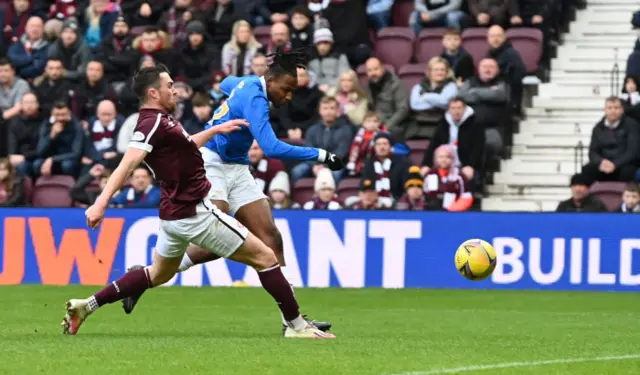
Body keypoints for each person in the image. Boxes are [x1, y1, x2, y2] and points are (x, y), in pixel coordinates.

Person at [61, 65, 335, 339]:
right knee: (265, 256)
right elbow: (127, 164)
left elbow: (187, 143)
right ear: (154, 92)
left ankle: (86, 305)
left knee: (157, 274)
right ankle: (297, 327)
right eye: (169, 85)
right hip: (196, 213)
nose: (175, 90)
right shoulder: (151, 123)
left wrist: (217, 130)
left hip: (172, 218)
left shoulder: (162, 121)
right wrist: (101, 203)